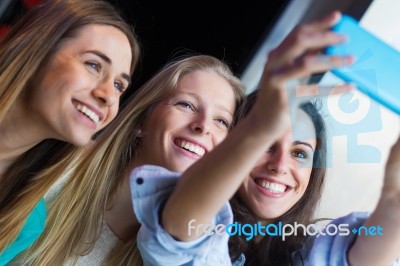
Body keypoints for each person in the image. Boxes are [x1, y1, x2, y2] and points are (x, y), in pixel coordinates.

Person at [134, 11, 400, 266]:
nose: (280, 164)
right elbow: (181, 232)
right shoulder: (197, 222)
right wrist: (259, 128)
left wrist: (393, 196)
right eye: (267, 145)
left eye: (300, 153)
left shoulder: (307, 252)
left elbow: (361, 256)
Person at [16, 54, 246, 265]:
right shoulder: (60, 159)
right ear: (141, 121)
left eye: (221, 121)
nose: (203, 125)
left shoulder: (200, 247)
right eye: (186, 105)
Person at [0, 0, 140, 264]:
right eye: (94, 65)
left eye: (120, 85)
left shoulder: (28, 221)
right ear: (37, 49)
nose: (109, 96)